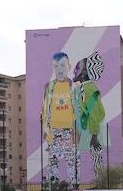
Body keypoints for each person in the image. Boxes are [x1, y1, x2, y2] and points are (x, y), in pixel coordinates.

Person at [41, 52, 77, 184]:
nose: (59, 69)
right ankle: (53, 188)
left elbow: (78, 110)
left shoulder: (74, 87)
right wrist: (46, 131)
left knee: (72, 163)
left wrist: (76, 131)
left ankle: (74, 187)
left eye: (62, 65)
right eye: (56, 66)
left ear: (69, 66)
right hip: (54, 131)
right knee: (52, 163)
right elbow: (45, 110)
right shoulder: (49, 87)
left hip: (70, 131)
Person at [72, 52, 107, 180]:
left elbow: (92, 112)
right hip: (90, 130)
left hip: (90, 132)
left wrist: (94, 135)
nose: (74, 71)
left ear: (84, 72)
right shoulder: (88, 88)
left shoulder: (87, 89)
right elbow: (100, 111)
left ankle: (100, 182)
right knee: (95, 161)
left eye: (77, 68)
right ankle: (99, 180)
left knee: (95, 161)